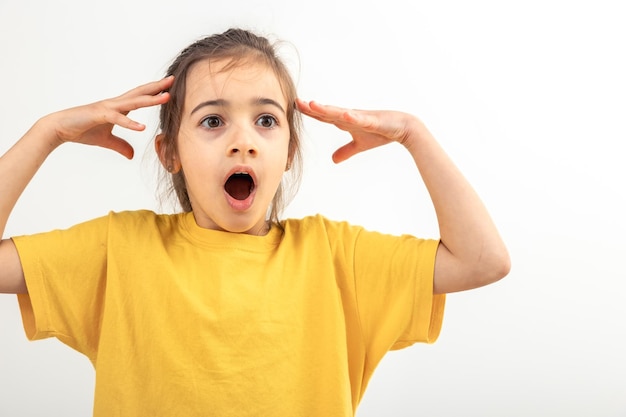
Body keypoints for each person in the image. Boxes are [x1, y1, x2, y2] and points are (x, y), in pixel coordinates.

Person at [0, 28, 510, 416]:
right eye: (212, 120)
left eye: (266, 120)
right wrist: (46, 133)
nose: (242, 140)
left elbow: (483, 260)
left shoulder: (335, 258)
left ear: (288, 150)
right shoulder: (119, 249)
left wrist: (413, 135)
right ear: (169, 152)